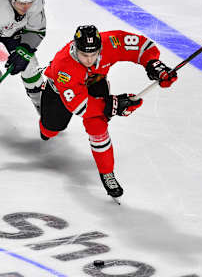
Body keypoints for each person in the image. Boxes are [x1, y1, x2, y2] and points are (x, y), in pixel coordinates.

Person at [39, 25, 178, 200]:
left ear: (100, 48)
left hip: (94, 82)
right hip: (61, 92)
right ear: (75, 48)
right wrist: (115, 105)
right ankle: (41, 100)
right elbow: (80, 106)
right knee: (49, 130)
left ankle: (107, 173)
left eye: (93, 54)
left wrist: (153, 64)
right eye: (84, 55)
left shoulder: (110, 42)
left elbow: (142, 47)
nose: (89, 60)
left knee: (97, 124)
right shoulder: (64, 66)